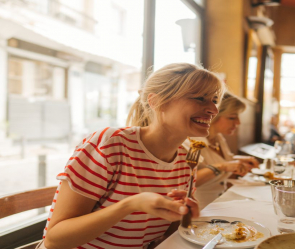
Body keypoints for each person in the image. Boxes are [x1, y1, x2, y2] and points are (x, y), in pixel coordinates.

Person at [42, 63, 225, 249]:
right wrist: (131, 204)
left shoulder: (186, 161)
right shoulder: (110, 144)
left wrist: (183, 215)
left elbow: (167, 235)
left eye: (214, 100)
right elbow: (55, 239)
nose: (214, 110)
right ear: (156, 101)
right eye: (201, 98)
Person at [183, 92, 259, 209]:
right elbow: (187, 181)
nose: (238, 123)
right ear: (213, 116)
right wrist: (224, 166)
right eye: (232, 117)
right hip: (200, 209)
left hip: (221, 203)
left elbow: (218, 160)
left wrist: (238, 160)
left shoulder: (217, 137)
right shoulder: (193, 142)